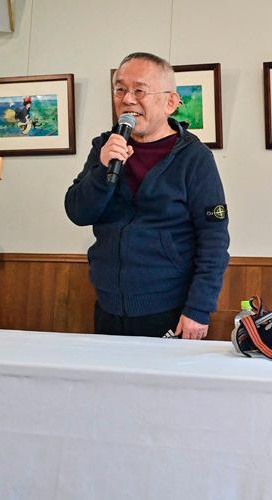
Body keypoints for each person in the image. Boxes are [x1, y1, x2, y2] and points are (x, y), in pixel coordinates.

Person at [65, 52, 229, 339]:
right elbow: (78, 212)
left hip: (171, 310)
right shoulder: (105, 147)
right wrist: (103, 170)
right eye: (120, 89)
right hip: (108, 306)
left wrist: (199, 309)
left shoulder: (194, 157)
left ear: (170, 102)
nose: (127, 100)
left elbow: (214, 238)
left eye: (139, 90)